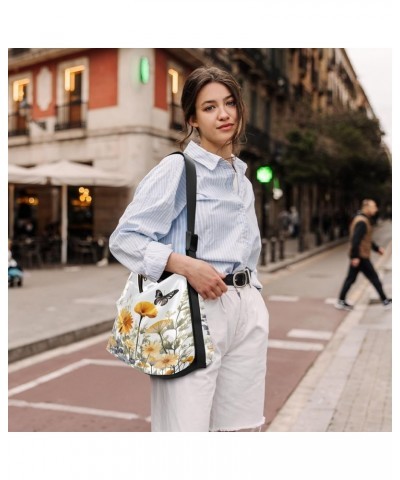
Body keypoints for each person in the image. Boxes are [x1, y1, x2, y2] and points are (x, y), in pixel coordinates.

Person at [109, 66, 269, 432]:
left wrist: (254, 299)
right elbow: (125, 238)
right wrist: (184, 265)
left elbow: (250, 249)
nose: (224, 114)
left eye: (230, 103)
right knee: (185, 432)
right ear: (192, 119)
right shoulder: (178, 169)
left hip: (245, 307)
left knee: (241, 430)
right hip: (195, 310)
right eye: (210, 107)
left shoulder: (241, 179)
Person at [335, 199, 392, 311]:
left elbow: (366, 239)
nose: (376, 209)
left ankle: (341, 301)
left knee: (351, 279)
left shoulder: (363, 219)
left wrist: (376, 248)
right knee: (374, 278)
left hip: (359, 255)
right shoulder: (362, 221)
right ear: (367, 207)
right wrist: (355, 257)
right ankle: (385, 300)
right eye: (374, 206)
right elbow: (356, 240)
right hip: (361, 256)